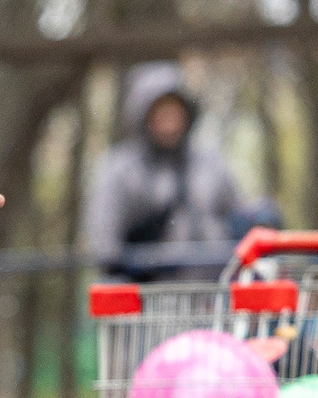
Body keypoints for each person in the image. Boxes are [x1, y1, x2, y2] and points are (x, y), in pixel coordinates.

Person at [82, 62, 274, 281]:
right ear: (143, 116)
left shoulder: (210, 164)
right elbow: (105, 242)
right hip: (149, 298)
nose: (170, 122)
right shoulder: (121, 169)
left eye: (175, 112)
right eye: (160, 112)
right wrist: (140, 263)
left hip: (214, 294)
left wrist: (258, 217)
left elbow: (236, 213)